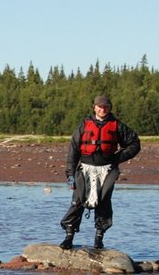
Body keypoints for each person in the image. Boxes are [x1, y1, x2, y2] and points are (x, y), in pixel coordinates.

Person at [59, 94, 140, 250]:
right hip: (84, 168)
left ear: (109, 108)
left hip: (107, 169)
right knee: (77, 202)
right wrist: (70, 175)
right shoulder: (83, 125)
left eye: (106, 107)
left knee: (104, 203)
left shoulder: (117, 126)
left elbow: (134, 144)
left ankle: (99, 239)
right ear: (94, 107)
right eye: (100, 106)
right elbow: (73, 151)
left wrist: (117, 158)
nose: (103, 109)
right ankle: (69, 237)